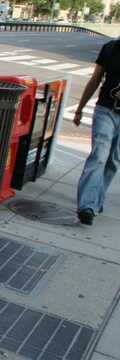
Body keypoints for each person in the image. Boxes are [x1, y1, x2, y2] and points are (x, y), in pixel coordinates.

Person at [73, 37, 120, 225]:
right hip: (105, 110)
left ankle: (97, 196)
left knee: (113, 161)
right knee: (99, 155)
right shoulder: (111, 48)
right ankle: (88, 206)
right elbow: (95, 80)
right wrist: (79, 109)